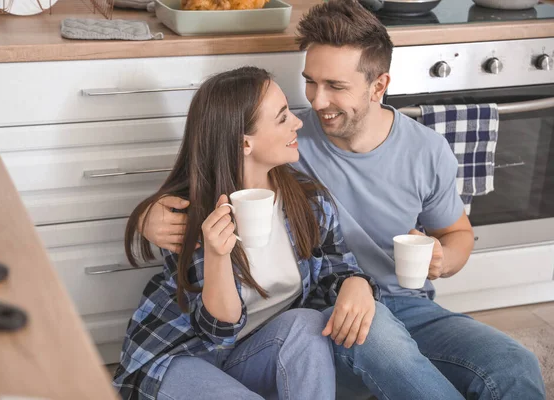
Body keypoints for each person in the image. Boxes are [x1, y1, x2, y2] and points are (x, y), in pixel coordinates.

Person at [141, 1, 546, 399]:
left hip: (404, 302)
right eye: (311, 82)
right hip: (319, 314)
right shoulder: (290, 143)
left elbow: (457, 233)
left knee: (514, 365)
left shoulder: (426, 150)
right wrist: (149, 214)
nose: (317, 102)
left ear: (379, 86)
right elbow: (217, 160)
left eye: (335, 86)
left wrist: (445, 258)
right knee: (377, 338)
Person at [112, 66, 381, 400]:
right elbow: (216, 331)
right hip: (181, 356)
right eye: (282, 118)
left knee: (307, 324)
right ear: (245, 142)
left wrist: (357, 282)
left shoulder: (308, 200)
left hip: (254, 353)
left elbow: (336, 268)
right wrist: (217, 255)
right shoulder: (183, 215)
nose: (298, 122)